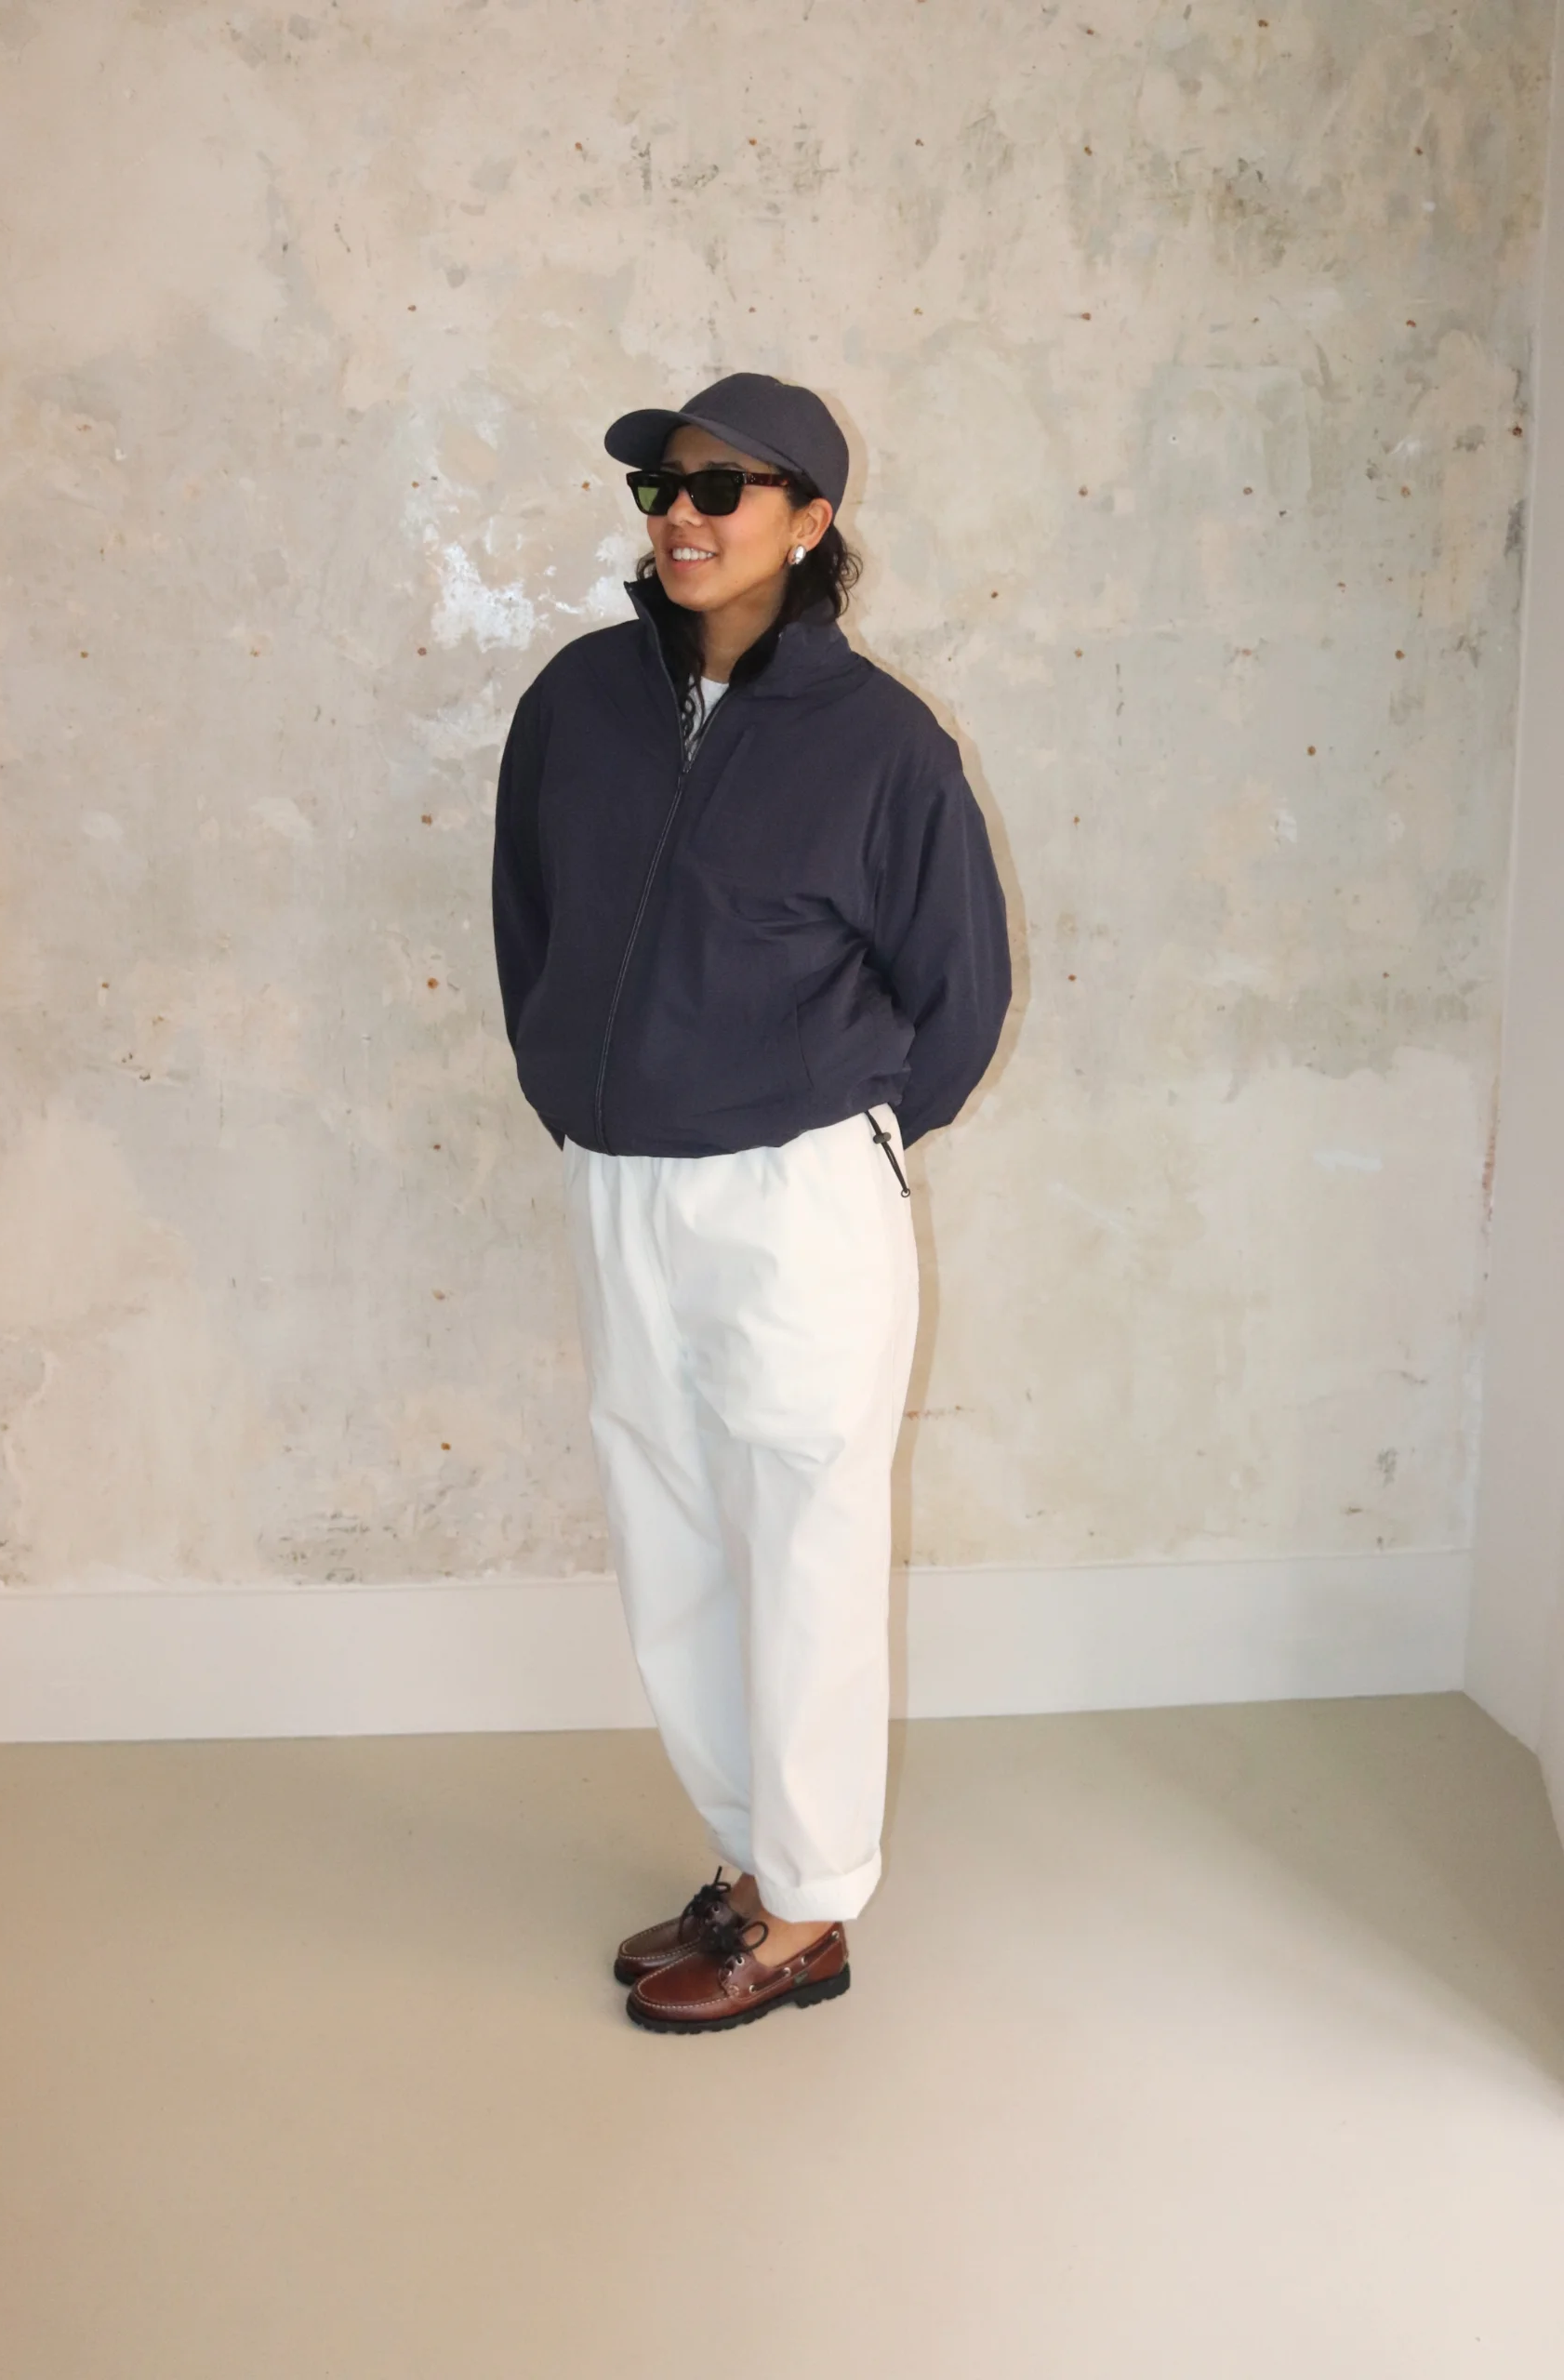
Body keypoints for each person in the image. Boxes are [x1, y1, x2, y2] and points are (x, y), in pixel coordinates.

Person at [492, 373, 1010, 2033]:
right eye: (664, 487)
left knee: (804, 1542)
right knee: (671, 1537)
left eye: (727, 487)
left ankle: (811, 1908)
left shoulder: (883, 744)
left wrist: (829, 1130)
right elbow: (529, 923)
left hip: (794, 1198)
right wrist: (583, 1094)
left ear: (810, 520)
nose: (684, 516)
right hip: (620, 1178)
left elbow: (961, 994)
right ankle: (753, 1861)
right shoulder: (577, 703)